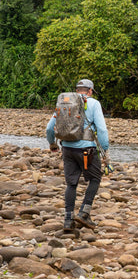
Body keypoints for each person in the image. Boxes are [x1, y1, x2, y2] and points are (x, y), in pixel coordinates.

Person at [46, 79, 109, 232]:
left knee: (71, 184)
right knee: (95, 179)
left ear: (77, 90)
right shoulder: (94, 103)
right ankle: (84, 213)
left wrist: (52, 144)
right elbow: (101, 130)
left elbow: (49, 128)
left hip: (67, 149)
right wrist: (105, 150)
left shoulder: (64, 102)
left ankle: (68, 220)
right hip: (88, 150)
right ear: (90, 91)